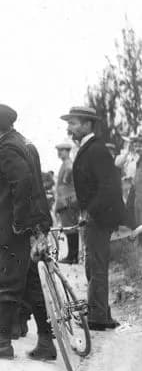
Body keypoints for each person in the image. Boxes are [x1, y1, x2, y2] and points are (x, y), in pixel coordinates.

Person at [0, 104, 55, 360]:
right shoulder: (22, 142)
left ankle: (2, 342)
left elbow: (22, 183)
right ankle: (46, 342)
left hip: (10, 229)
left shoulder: (5, 146)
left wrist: (18, 223)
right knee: (30, 284)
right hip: (26, 226)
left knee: (4, 283)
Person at [62, 106, 125, 331]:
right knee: (92, 266)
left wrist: (89, 212)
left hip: (100, 218)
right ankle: (101, 313)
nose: (69, 128)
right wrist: (76, 205)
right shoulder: (88, 148)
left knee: (96, 267)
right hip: (96, 216)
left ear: (88, 124)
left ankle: (98, 318)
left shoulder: (95, 149)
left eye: (74, 123)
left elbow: (108, 187)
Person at [53, 142, 79, 263]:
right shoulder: (65, 164)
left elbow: (67, 181)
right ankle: (72, 255)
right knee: (69, 228)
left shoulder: (68, 165)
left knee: (70, 228)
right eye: (59, 150)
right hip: (67, 201)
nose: (59, 153)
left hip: (68, 201)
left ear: (67, 151)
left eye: (62, 151)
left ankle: (72, 256)